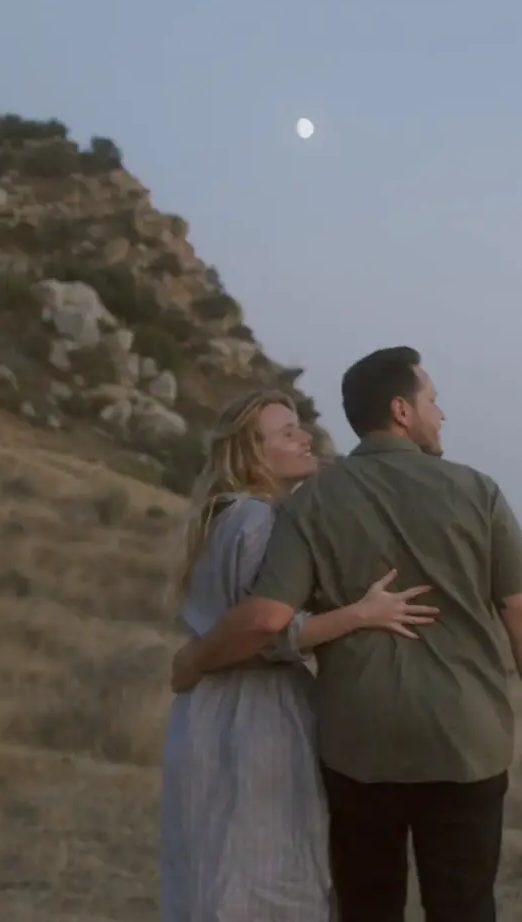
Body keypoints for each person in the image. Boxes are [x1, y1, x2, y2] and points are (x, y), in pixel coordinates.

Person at [171, 347, 522, 922]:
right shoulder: (477, 490)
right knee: (463, 906)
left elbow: (265, 616)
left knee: (367, 907)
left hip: (357, 746)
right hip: (463, 741)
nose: (442, 414)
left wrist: (193, 659)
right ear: (401, 410)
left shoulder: (312, 500)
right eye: (433, 401)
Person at [159, 389, 441, 922]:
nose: (305, 436)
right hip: (257, 714)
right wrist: (362, 613)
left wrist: (194, 660)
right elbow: (266, 628)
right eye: (287, 432)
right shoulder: (259, 521)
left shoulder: (219, 516)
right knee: (267, 874)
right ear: (252, 454)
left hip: (204, 711)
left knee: (210, 871)